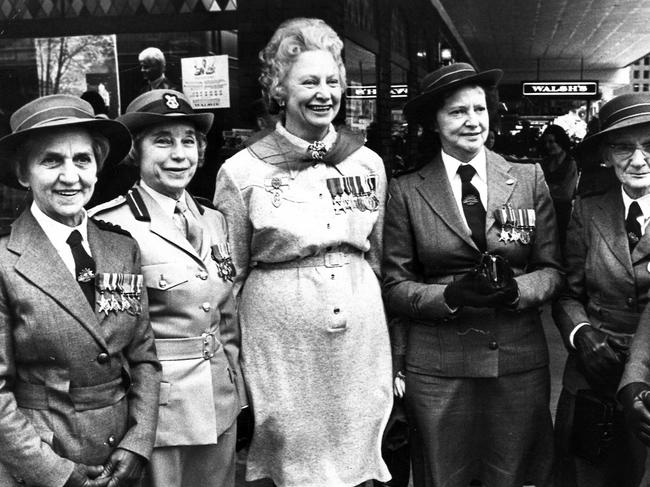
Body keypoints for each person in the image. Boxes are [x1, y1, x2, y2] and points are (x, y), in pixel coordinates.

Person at [213, 17, 392, 487]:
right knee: (291, 455)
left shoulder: (367, 163)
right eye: (308, 81)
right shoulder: (242, 170)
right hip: (280, 340)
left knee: (358, 447)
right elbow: (228, 274)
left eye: (333, 81)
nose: (323, 93)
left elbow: (379, 254)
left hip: (359, 332)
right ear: (279, 89)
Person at [382, 62, 562, 487]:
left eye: (479, 110)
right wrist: (450, 296)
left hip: (516, 361)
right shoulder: (407, 190)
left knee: (514, 476)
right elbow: (394, 284)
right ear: (434, 123)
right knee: (444, 476)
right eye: (457, 112)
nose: (472, 121)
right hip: (440, 366)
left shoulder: (527, 177)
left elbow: (553, 269)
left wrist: (517, 289)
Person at [0, 94, 160, 486]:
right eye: (51, 161)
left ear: (98, 168)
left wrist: (137, 445)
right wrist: (55, 473)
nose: (70, 176)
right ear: (24, 173)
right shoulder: (5, 261)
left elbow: (144, 360)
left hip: (120, 461)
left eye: (82, 160)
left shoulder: (121, 248)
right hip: (43, 461)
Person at [90, 89, 245, 487]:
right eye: (163, 141)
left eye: (188, 141)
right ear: (135, 154)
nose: (179, 154)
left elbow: (226, 318)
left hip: (220, 403)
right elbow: (114, 340)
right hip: (162, 414)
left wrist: (238, 396)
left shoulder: (213, 220)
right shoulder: (112, 227)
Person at [553, 93, 650, 487]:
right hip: (594, 375)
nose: (639, 159)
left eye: (649, 146)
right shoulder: (589, 210)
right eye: (625, 147)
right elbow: (565, 292)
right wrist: (581, 334)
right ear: (606, 156)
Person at [539, 124, 578, 246]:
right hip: (545, 213)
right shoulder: (545, 162)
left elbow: (566, 194)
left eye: (551, 142)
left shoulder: (570, 163)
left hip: (562, 215)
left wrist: (545, 190)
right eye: (546, 142)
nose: (548, 146)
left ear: (560, 141)